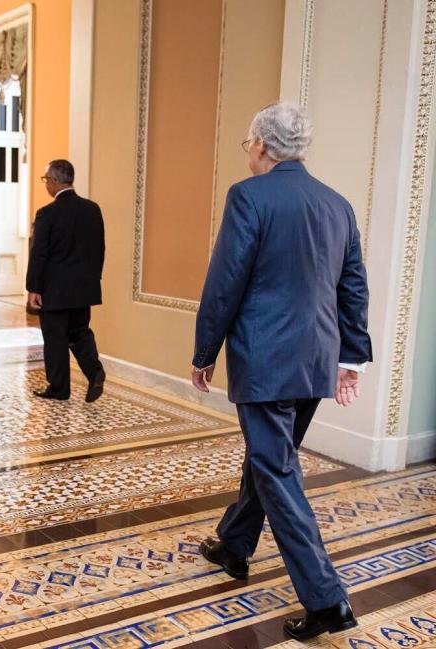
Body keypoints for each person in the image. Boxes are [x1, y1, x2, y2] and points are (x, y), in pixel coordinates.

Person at [191, 101, 372, 641]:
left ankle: (326, 600)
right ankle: (234, 545)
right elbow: (353, 286)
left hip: (266, 360)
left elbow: (226, 281)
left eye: (248, 143)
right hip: (315, 359)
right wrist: (350, 357)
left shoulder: (249, 196)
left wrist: (205, 351)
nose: (248, 151)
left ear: (263, 146)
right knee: (271, 458)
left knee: (276, 469)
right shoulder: (336, 204)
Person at [26, 159, 106, 403]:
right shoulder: (92, 209)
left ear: (54, 181)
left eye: (45, 180)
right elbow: (100, 249)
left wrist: (33, 288)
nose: (45, 185)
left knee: (55, 338)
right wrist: (93, 280)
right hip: (84, 289)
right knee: (80, 332)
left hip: (54, 290)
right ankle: (95, 371)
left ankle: (59, 388)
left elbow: (39, 253)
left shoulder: (47, 213)